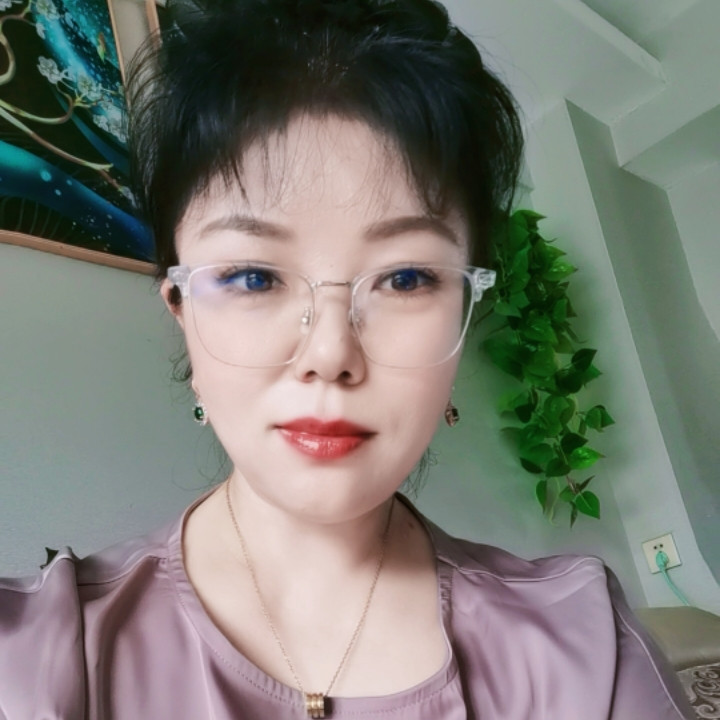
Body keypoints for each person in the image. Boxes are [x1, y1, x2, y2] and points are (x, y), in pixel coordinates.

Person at [0, 0, 695, 718]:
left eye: (405, 278)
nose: (330, 353)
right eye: (254, 277)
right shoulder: (32, 662)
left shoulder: (585, 652)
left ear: (464, 309)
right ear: (181, 309)